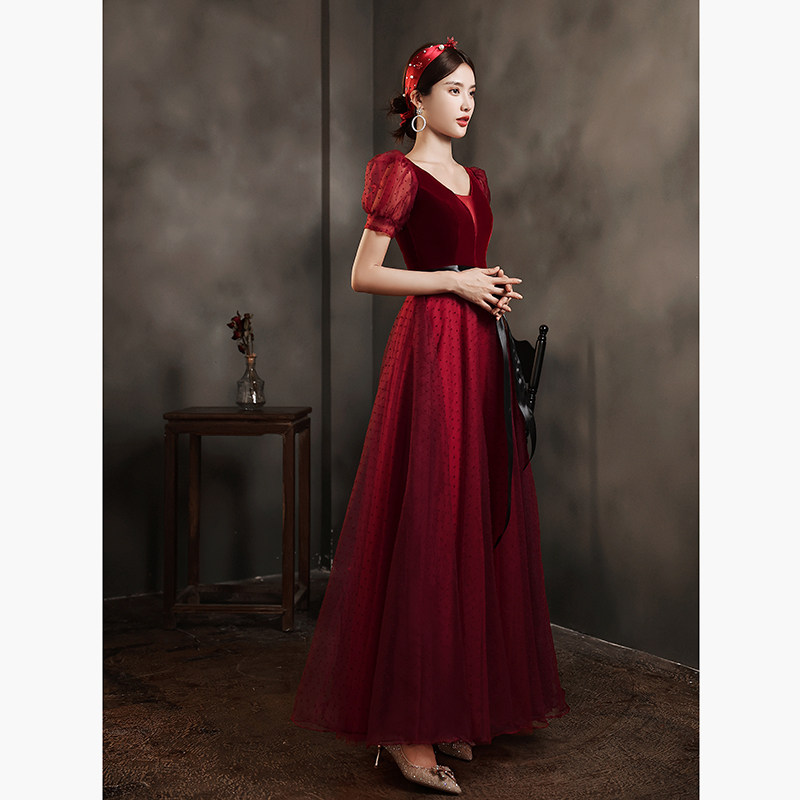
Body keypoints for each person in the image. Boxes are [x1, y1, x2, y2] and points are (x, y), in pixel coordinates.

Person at [291, 37, 569, 795]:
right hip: (434, 356)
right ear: (419, 99)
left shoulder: (475, 179)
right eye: (453, 91)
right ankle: (406, 732)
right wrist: (455, 285)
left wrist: (487, 285)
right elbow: (364, 274)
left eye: (473, 91)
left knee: (472, 523)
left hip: (481, 352)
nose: (467, 104)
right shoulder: (398, 174)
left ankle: (446, 707)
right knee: (430, 525)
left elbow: (466, 260)